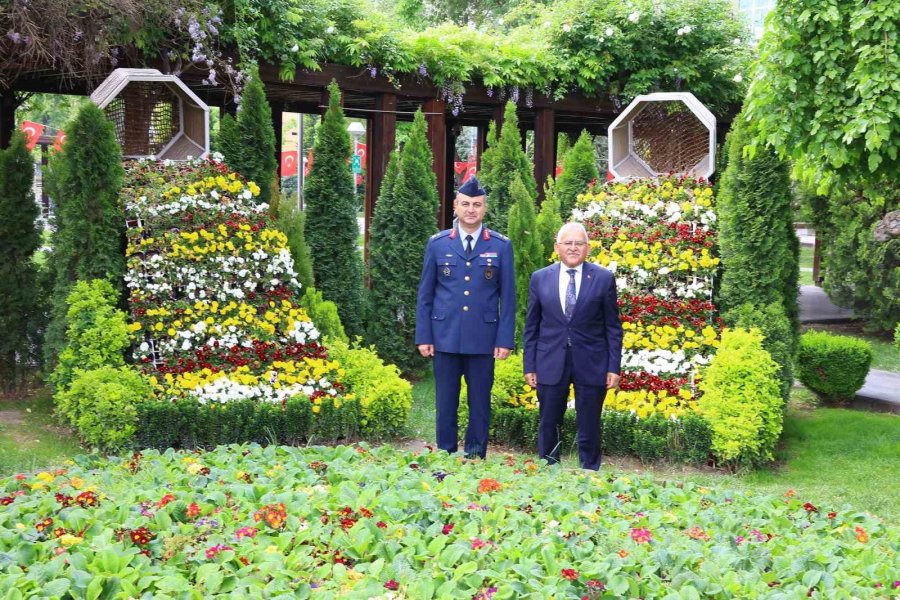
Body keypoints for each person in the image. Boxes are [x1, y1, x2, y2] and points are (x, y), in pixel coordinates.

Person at [415, 176, 515, 459]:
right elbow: (426, 294)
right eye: (466, 204)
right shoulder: (437, 244)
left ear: (484, 209)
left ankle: (475, 454)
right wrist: (424, 336)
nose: (471, 209)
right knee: (445, 402)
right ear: (455, 207)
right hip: (444, 337)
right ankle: (445, 453)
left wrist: (504, 339)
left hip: (483, 339)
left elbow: (508, 298)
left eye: (477, 205)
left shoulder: (500, 245)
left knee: (480, 402)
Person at [523, 222, 623, 470]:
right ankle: (549, 467)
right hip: (550, 361)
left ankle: (589, 470)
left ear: (587, 248)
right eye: (568, 243)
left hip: (591, 362)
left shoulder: (603, 279)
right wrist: (530, 365)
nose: (573, 248)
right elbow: (532, 327)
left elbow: (613, 327)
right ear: (557, 247)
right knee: (548, 421)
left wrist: (613, 367)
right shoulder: (539, 278)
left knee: (589, 422)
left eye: (579, 243)